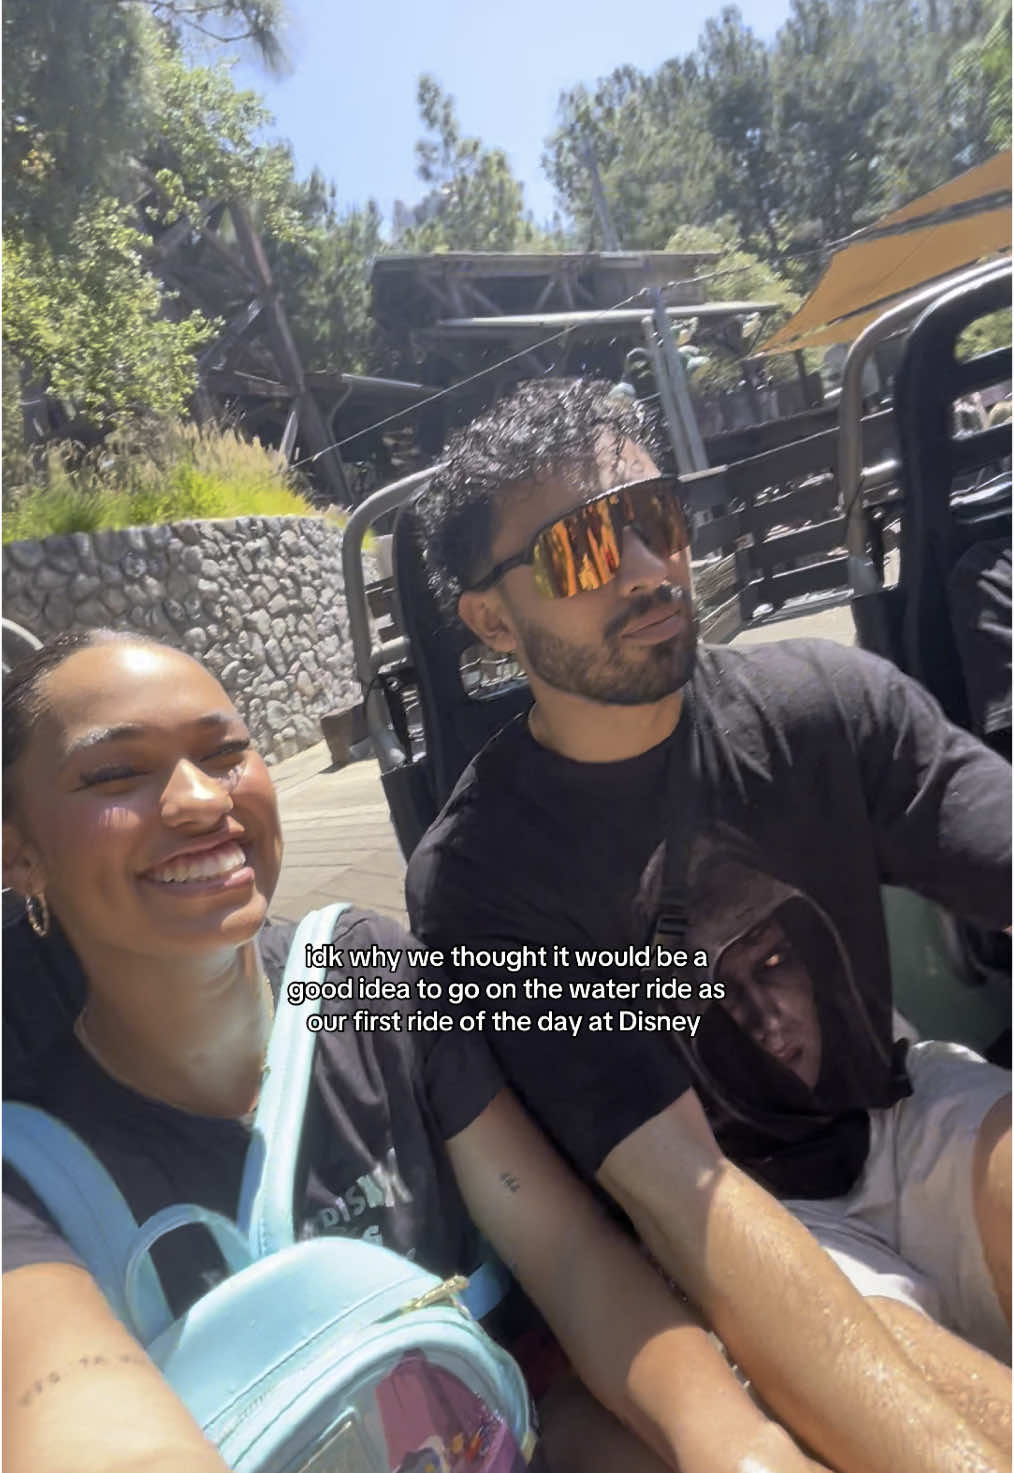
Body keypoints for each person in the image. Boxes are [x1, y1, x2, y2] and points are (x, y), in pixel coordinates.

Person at [1, 630, 832, 1473]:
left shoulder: (363, 971)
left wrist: (738, 1446)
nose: (198, 798)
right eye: (115, 773)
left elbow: (567, 1254)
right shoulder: (23, 1172)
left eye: (224, 754)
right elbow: (78, 1412)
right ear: (17, 850)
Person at [405, 378, 1013, 1473]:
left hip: (900, 1106)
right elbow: (680, 1190)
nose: (647, 568)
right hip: (731, 1212)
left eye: (657, 518)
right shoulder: (482, 879)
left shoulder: (821, 703)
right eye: (586, 548)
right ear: (492, 621)